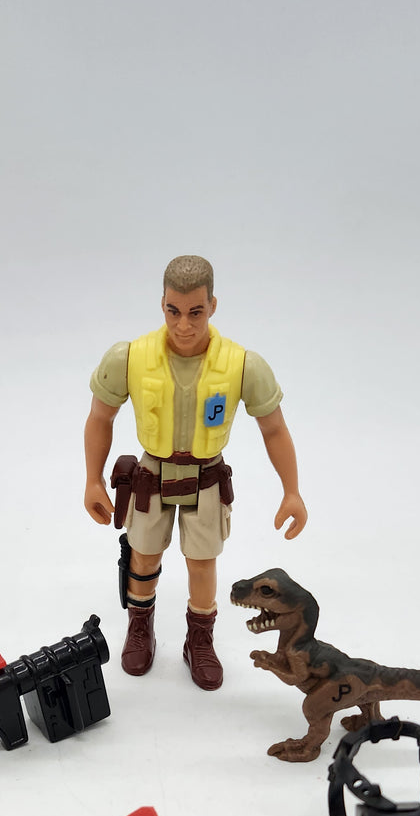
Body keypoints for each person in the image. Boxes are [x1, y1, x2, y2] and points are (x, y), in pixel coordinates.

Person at [83, 255, 307, 690]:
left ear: (213, 306)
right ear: (162, 304)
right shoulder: (129, 358)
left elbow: (274, 429)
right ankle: (140, 628)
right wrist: (93, 479)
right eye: (173, 311)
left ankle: (199, 640)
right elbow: (99, 418)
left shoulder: (242, 365)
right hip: (151, 475)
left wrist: (292, 490)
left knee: (202, 564)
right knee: (143, 557)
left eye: (195, 312)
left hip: (206, 476)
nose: (183, 324)